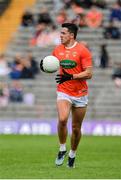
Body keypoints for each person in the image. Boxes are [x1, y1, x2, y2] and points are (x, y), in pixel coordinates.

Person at [40, 23, 93, 168]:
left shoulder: (83, 51)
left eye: (63, 33)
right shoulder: (57, 50)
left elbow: (89, 73)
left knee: (76, 128)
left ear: (71, 35)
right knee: (63, 119)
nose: (60, 35)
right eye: (61, 33)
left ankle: (72, 154)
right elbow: (51, 64)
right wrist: (43, 65)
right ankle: (62, 148)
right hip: (63, 90)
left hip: (80, 93)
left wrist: (70, 77)